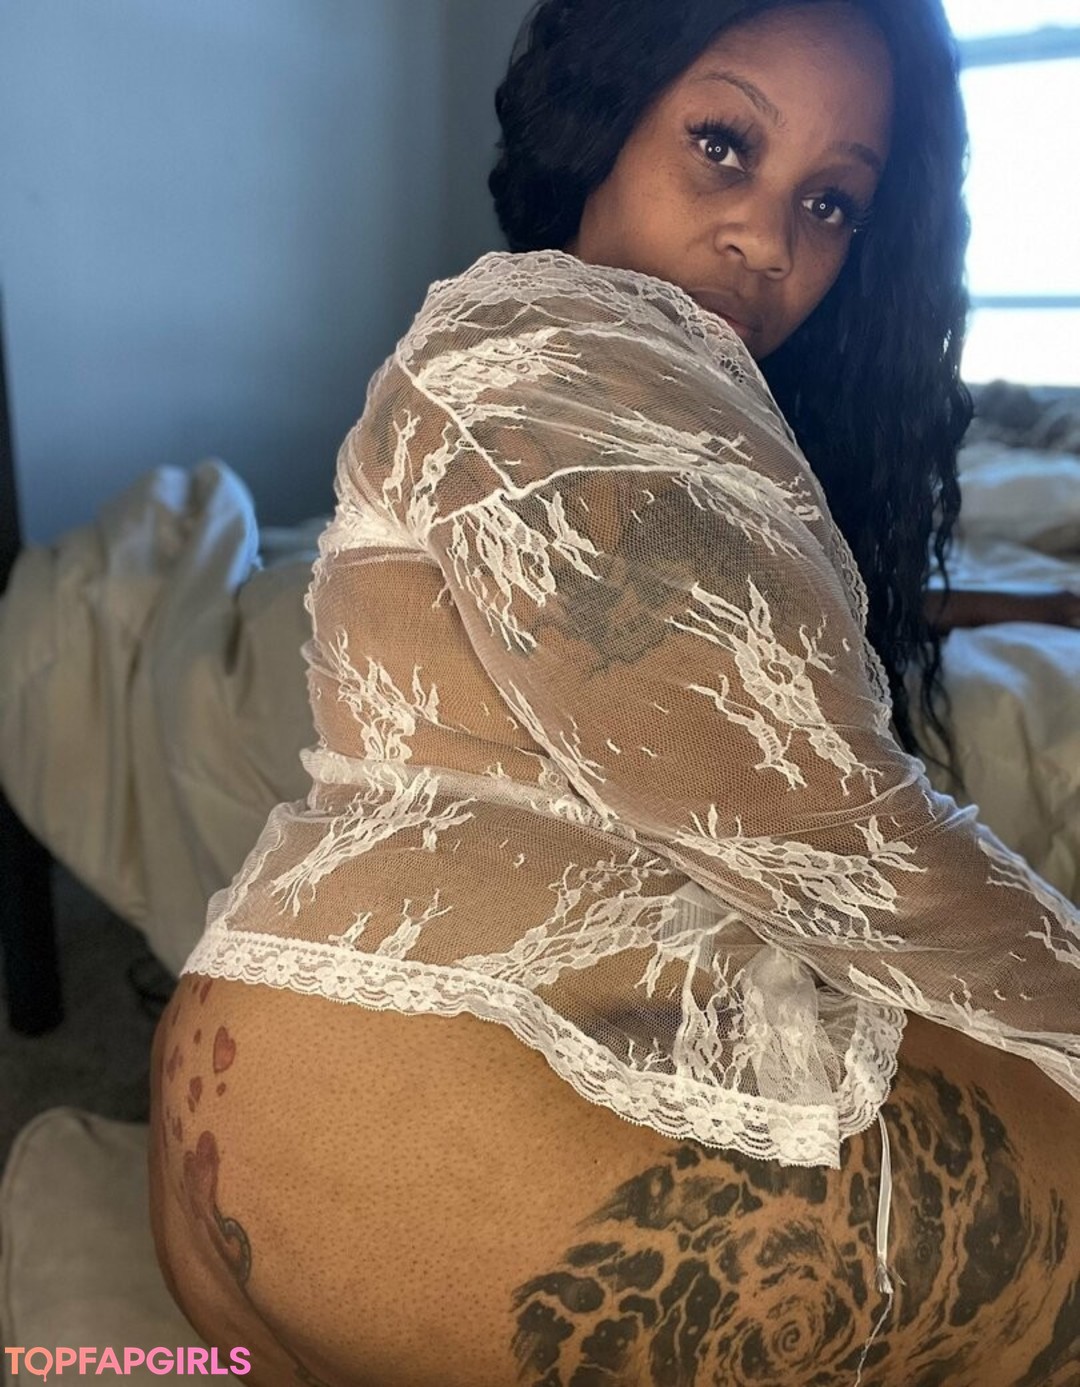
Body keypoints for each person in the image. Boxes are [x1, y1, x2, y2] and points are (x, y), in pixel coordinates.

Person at [148, 2, 1080, 1383]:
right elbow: (820, 827)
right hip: (437, 1115)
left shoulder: (554, 371)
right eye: (724, 144)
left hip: (280, 1079)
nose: (769, 240)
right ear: (605, 112)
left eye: (831, 202)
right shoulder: (563, 347)